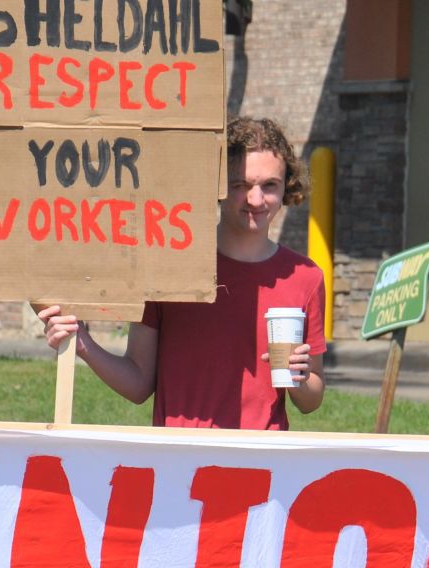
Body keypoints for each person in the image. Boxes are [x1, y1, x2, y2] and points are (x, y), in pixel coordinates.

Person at [37, 116, 326, 429]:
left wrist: (299, 377)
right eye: (240, 184)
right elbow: (138, 384)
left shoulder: (305, 276)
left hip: (263, 463)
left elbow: (311, 401)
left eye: (269, 185)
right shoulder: (169, 266)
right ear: (216, 186)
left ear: (286, 187)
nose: (255, 199)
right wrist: (83, 345)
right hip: (177, 460)